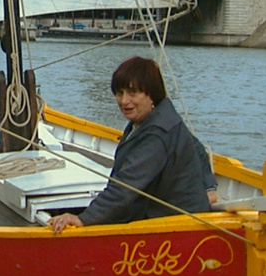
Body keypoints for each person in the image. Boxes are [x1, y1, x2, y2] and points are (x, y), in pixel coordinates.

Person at [50, 56, 211, 234]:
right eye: (119, 93)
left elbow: (126, 185)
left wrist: (83, 219)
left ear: (152, 95)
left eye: (133, 93)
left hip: (175, 226)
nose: (124, 101)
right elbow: (196, 147)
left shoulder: (157, 132)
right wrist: (210, 186)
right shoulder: (161, 118)